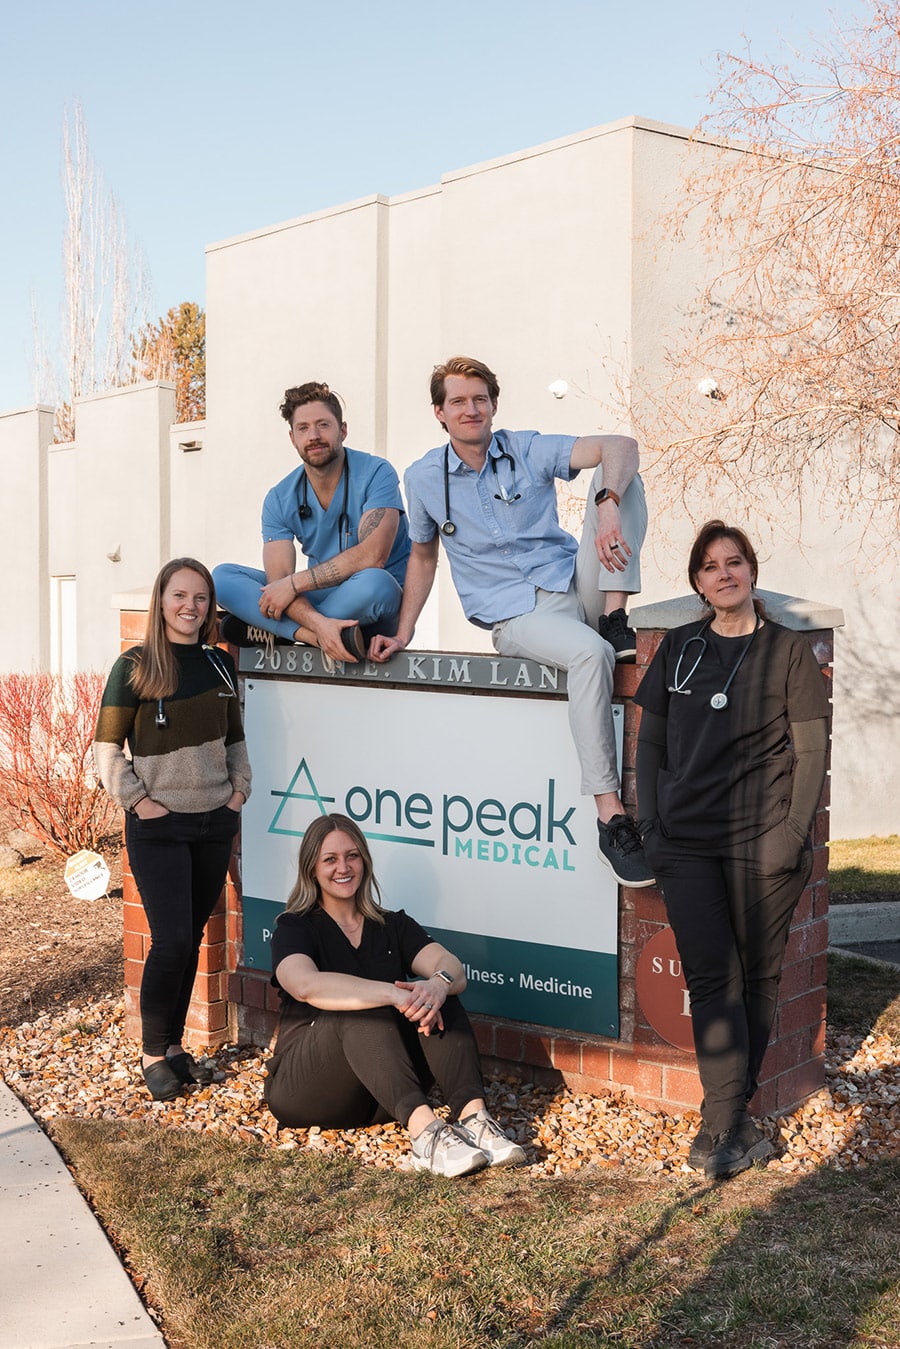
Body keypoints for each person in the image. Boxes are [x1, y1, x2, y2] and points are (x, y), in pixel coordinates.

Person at [370, 355, 652, 888]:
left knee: (623, 480)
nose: (470, 409)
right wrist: (405, 631)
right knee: (590, 656)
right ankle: (610, 817)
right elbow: (424, 557)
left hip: (575, 584)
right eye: (458, 401)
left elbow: (619, 447)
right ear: (440, 413)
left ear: (493, 405)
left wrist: (608, 506)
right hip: (517, 616)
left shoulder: (524, 447)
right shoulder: (425, 478)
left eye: (480, 399)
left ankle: (616, 618)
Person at [634, 521, 829, 1180]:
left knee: (759, 979)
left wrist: (790, 835)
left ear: (751, 571)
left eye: (735, 562)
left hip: (762, 844)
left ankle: (721, 1125)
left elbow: (811, 752)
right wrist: (650, 824)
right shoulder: (679, 648)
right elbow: (651, 742)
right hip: (685, 844)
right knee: (715, 977)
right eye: (711, 566)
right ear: (697, 582)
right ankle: (727, 1127)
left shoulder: (787, 652)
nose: (725, 573)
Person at [264, 813, 527, 1176]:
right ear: (312, 869)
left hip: (383, 1094)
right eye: (330, 859)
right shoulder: (294, 927)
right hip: (307, 1091)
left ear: (365, 862)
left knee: (439, 996)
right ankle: (427, 1138)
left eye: (352, 856)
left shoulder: (392, 925)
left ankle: (474, 1120)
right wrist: (392, 994)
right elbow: (304, 983)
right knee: (358, 1010)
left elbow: (453, 967)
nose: (344, 867)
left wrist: (436, 984)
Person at [94, 558, 252, 1101]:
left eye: (201, 598)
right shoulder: (135, 667)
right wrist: (139, 802)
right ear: (161, 600)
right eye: (180, 595)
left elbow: (235, 740)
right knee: (173, 941)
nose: (191, 607)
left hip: (213, 822)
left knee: (189, 946)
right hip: (158, 826)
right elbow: (106, 749)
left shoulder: (219, 664)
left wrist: (237, 794)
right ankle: (152, 1056)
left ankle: (177, 1049)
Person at [213, 381, 410, 664]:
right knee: (222, 577)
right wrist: (311, 618)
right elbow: (277, 582)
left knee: (377, 582)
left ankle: (277, 631)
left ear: (343, 429)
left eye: (323, 425)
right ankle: (318, 636)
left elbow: (373, 556)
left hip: (373, 603)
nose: (314, 435)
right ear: (292, 438)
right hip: (318, 600)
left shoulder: (377, 473)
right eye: (303, 428)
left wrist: (292, 587)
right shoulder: (280, 497)